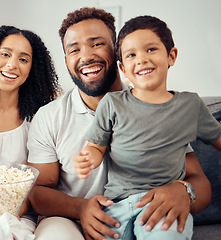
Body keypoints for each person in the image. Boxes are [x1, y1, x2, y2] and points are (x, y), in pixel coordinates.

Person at [27, 7, 212, 240]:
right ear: (66, 59)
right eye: (74, 50)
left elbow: (199, 181)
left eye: (96, 44)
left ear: (118, 51)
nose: (85, 56)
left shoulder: (157, 105)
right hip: (68, 219)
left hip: (145, 214)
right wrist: (80, 208)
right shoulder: (49, 117)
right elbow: (38, 192)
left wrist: (184, 192)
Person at [72, 15, 221, 240]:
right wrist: (88, 159)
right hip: (116, 208)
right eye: (131, 55)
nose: (141, 59)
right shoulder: (112, 104)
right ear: (122, 67)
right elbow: (96, 147)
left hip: (164, 207)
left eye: (151, 49)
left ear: (171, 56)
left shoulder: (190, 105)